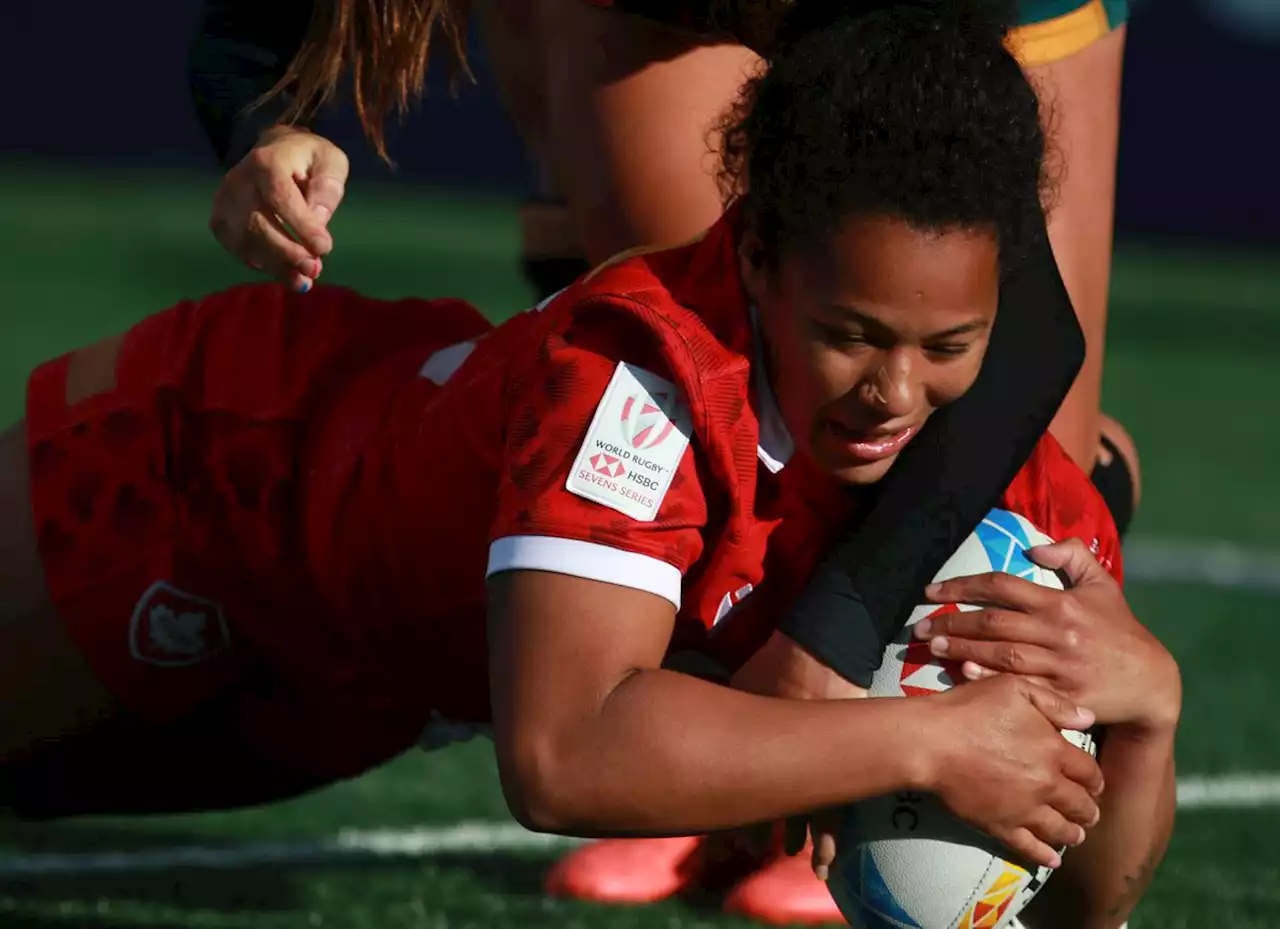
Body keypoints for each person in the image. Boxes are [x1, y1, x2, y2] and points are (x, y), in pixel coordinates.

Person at [5, 8, 1175, 928]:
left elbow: (1084, 908)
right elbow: (563, 756)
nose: (895, 393)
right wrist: (925, 741)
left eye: (946, 346)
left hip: (374, 679)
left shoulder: (1009, 491)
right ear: (757, 257)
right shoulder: (641, 367)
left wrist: (1147, 715)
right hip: (211, 473)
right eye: (851, 334)